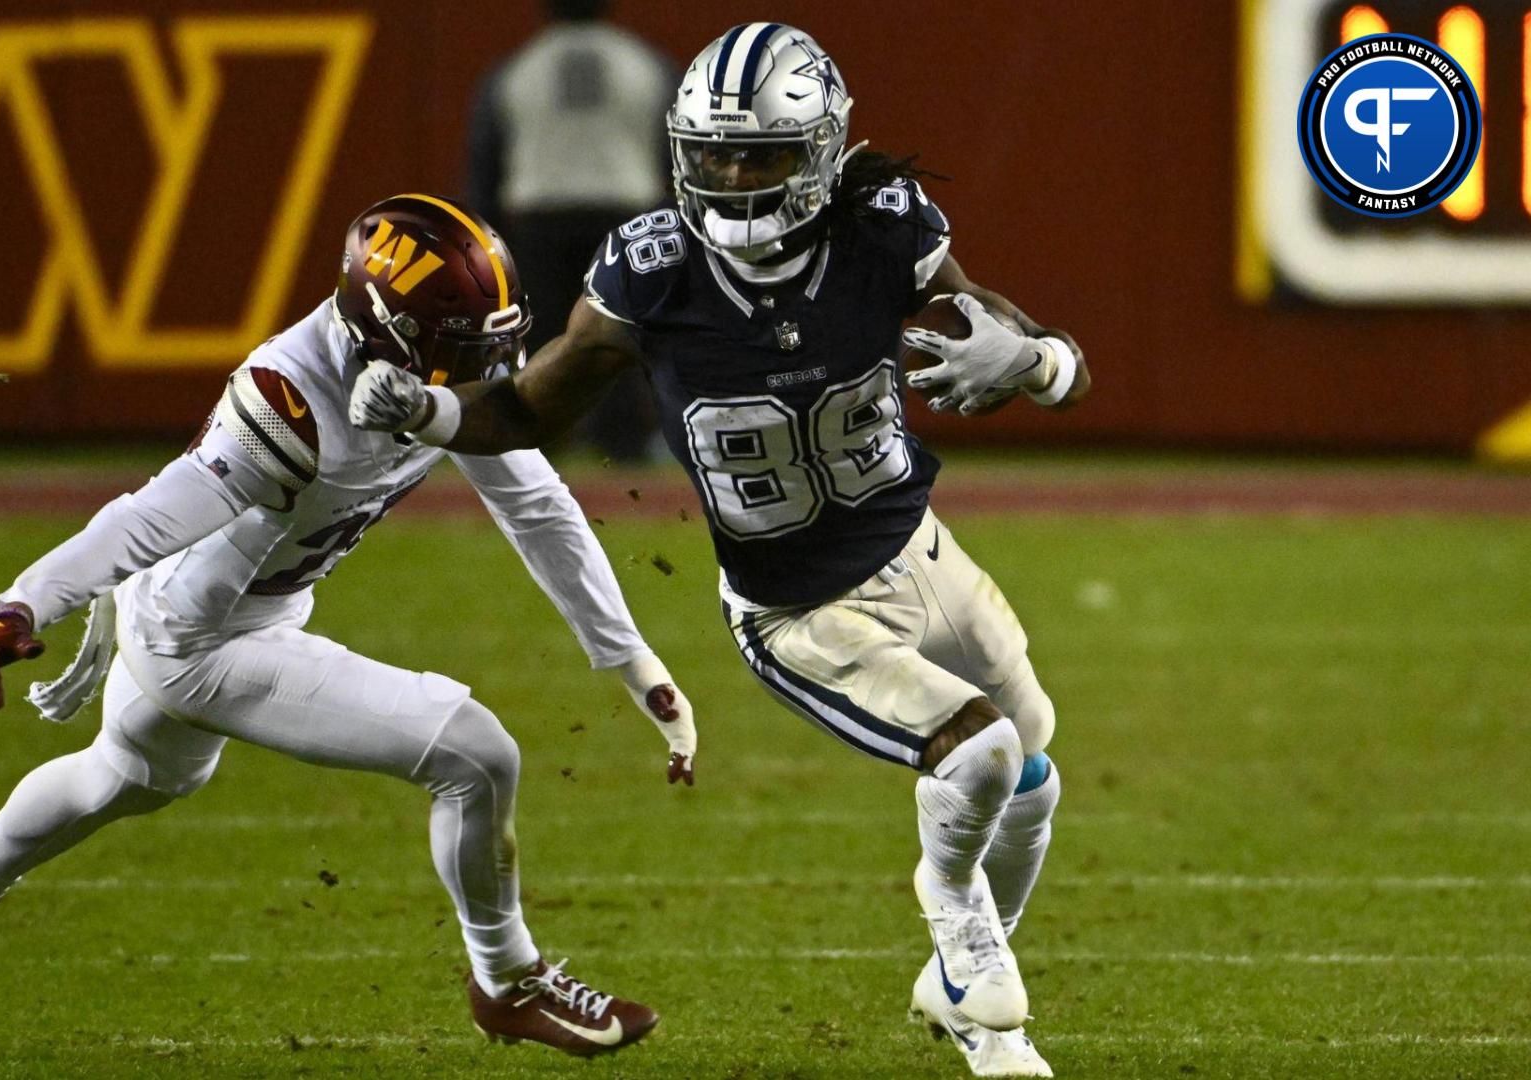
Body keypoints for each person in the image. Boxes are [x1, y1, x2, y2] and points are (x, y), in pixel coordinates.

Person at [350, 24, 1090, 1079]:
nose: (737, 178)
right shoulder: (653, 271)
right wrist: (428, 412)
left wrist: (1037, 357)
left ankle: (958, 978)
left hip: (918, 548)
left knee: (1033, 768)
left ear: (823, 151)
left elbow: (992, 320)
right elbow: (531, 403)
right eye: (718, 154)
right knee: (978, 756)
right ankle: (970, 956)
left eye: (764, 155)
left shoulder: (880, 226)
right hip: (797, 611)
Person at [0, 195, 696, 1058]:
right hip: (204, 639)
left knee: (126, 776)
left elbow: (535, 505)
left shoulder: (428, 361)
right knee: (477, 757)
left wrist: (630, 657)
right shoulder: (289, 396)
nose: (486, 366)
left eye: (491, 342)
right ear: (386, 328)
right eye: (461, 348)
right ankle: (509, 981)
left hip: (229, 610)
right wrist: (27, 600)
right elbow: (150, 517)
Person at [465, 0, 672, 462]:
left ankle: (537, 441)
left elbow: (485, 165)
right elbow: (674, 153)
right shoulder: (645, 65)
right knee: (618, 332)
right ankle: (625, 447)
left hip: (541, 216)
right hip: (624, 212)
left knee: (542, 337)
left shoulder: (517, 69)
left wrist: (488, 240)